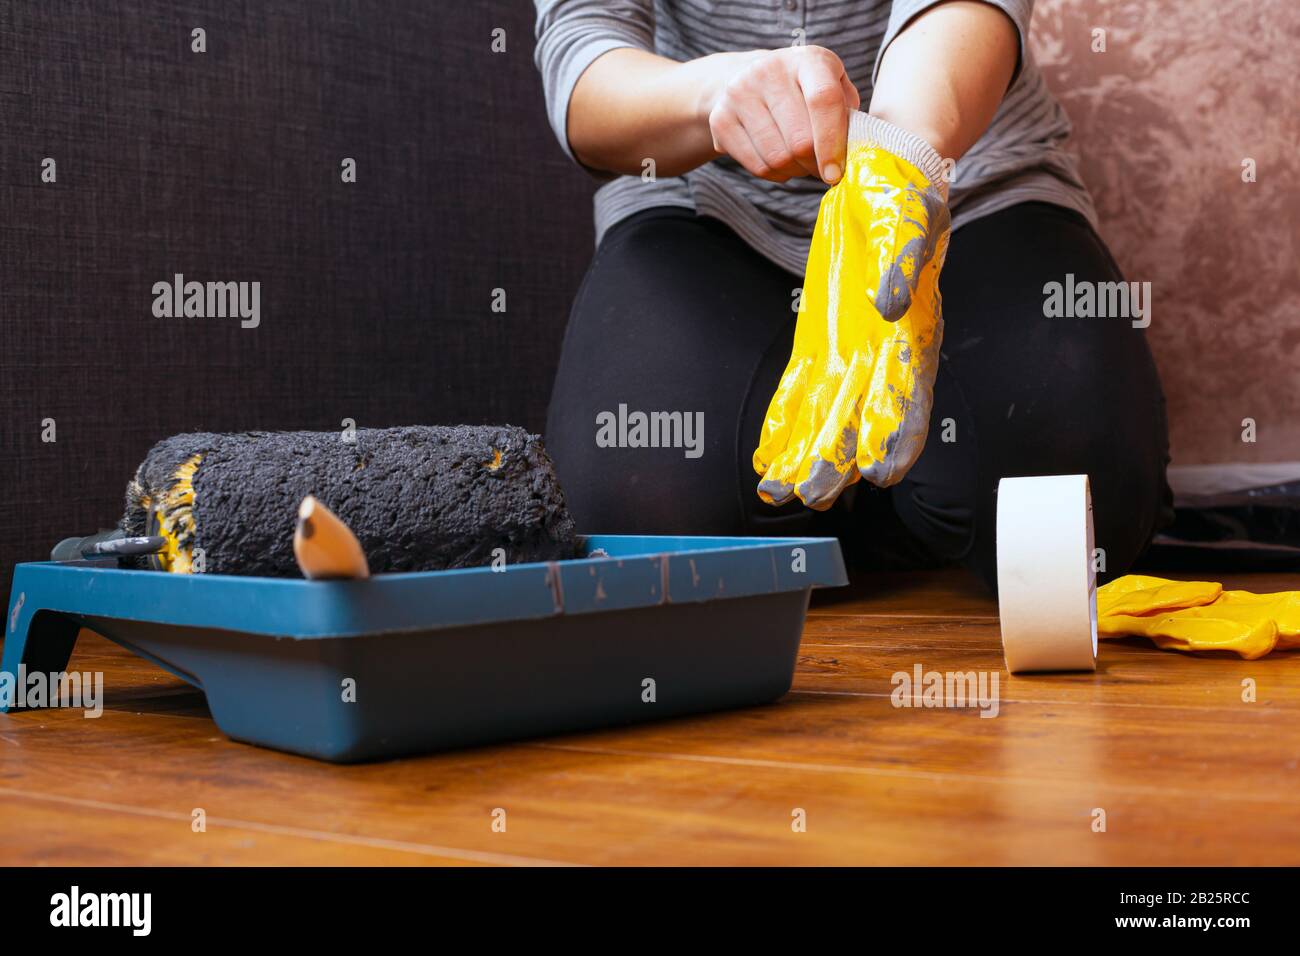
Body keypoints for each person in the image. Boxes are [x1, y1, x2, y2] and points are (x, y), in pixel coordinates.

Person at [533, 0, 1172, 590]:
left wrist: (895, 160)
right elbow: (586, 50)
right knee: (642, 514)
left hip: (959, 176)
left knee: (1076, 504)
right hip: (704, 195)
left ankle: (893, 490)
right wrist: (714, 95)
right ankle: (857, 497)